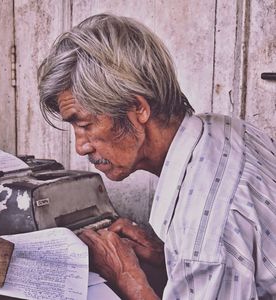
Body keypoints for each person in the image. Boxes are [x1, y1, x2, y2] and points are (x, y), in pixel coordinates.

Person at [38, 13, 276, 299]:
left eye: (86, 125)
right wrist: (168, 256)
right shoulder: (223, 129)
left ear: (138, 108)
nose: (81, 147)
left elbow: (210, 240)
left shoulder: (204, 232)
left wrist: (126, 277)